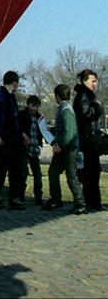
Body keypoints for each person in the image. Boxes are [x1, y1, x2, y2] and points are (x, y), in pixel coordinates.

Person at [43, 84, 86, 214]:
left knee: (71, 176)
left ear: (57, 96)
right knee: (53, 172)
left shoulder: (66, 110)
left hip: (68, 149)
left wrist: (60, 146)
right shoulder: (65, 109)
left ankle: (80, 203)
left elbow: (70, 131)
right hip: (65, 148)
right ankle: (56, 199)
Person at [0, 70, 26, 210]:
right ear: (15, 83)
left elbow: (15, 119)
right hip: (3, 137)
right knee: (2, 167)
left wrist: (21, 133)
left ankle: (13, 196)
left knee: (15, 169)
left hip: (13, 138)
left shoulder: (10, 97)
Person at [73, 69, 105, 212]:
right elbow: (85, 114)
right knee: (90, 172)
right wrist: (97, 107)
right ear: (85, 81)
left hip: (90, 137)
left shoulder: (86, 95)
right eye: (92, 81)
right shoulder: (83, 96)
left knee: (93, 171)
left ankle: (94, 201)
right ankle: (91, 201)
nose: (95, 84)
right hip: (87, 139)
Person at [19, 95, 45, 205]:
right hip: (24, 148)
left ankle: (38, 196)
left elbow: (43, 132)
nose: (35, 109)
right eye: (33, 106)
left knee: (37, 174)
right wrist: (23, 135)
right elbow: (18, 128)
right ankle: (21, 195)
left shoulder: (39, 118)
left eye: (37, 106)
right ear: (28, 105)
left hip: (34, 148)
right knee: (23, 173)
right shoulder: (23, 115)